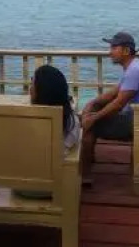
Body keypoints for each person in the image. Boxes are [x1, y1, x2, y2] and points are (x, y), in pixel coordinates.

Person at [80, 31, 139, 186]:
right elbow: (113, 93)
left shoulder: (134, 70)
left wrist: (93, 118)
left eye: (113, 48)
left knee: (91, 127)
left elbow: (118, 104)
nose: (110, 52)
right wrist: (92, 103)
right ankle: (88, 161)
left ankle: (85, 174)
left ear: (126, 50)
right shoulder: (133, 67)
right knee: (94, 112)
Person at [16, 65, 80, 199]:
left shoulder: (28, 122)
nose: (30, 88)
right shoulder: (70, 120)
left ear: (41, 90)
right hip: (56, 186)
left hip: (23, 187)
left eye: (32, 82)